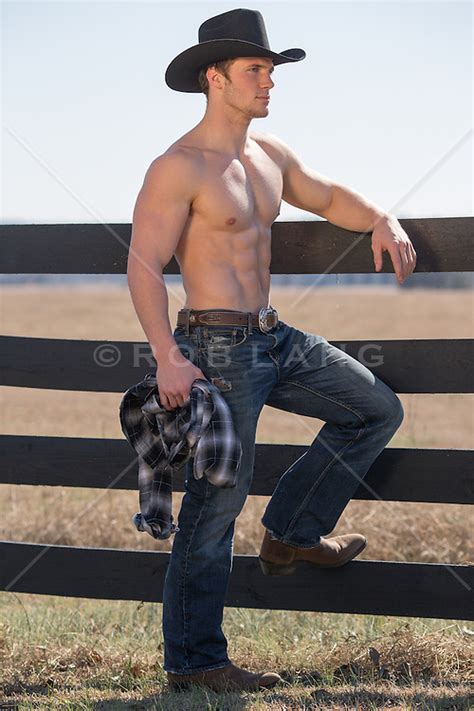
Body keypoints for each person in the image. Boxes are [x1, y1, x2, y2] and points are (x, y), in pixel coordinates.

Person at [126, 8, 416, 693]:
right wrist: (168, 354)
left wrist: (380, 215)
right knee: (214, 503)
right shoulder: (179, 165)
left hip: (272, 334)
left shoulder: (269, 154)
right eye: (256, 70)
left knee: (373, 408)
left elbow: (324, 195)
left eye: (271, 70)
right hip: (214, 346)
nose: (269, 82)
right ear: (214, 77)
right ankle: (195, 663)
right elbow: (142, 266)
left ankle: (291, 528)